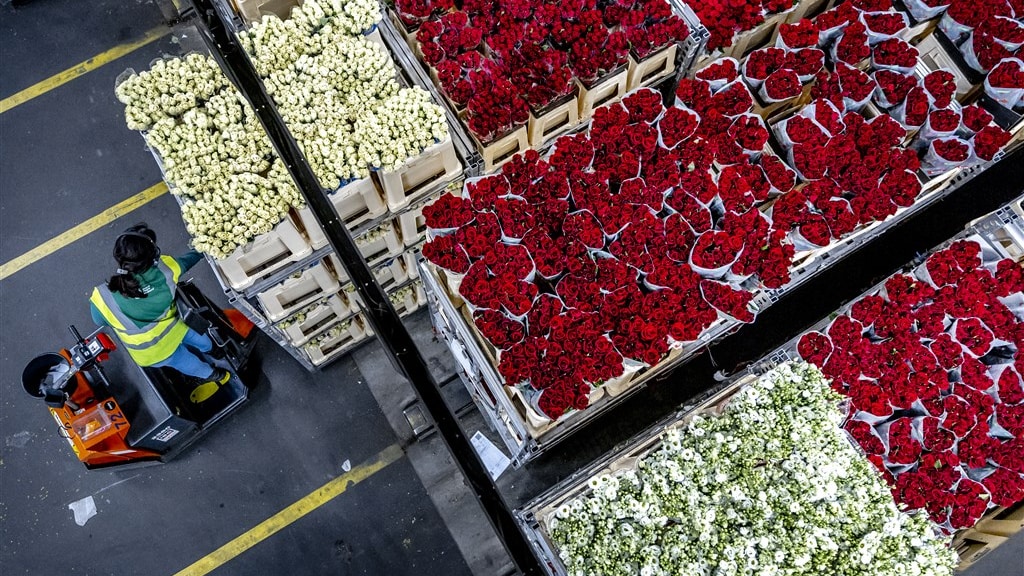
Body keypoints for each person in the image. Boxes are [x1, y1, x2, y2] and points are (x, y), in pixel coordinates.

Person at [89, 223, 229, 403]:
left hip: (152, 353)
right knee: (200, 339)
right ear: (153, 256)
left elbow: (98, 320)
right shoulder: (167, 270)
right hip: (177, 326)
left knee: (185, 362)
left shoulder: (102, 296)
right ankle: (216, 352)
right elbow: (193, 256)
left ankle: (217, 376)